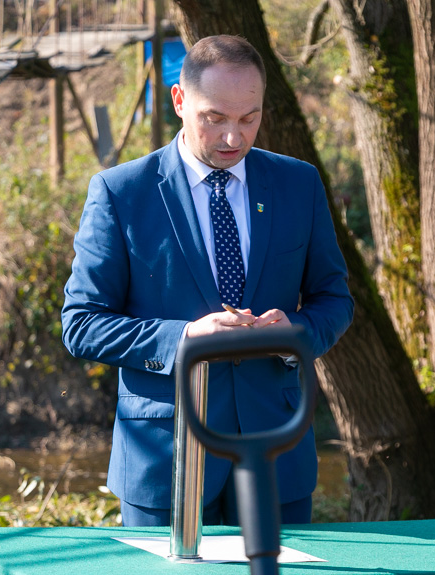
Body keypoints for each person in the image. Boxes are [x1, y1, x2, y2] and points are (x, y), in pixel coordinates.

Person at [61, 34, 353, 527]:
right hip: (165, 461)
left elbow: (335, 299)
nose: (233, 139)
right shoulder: (120, 193)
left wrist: (294, 334)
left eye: (248, 118)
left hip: (276, 456)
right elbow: (82, 324)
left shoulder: (298, 184)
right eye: (214, 118)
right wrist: (185, 338)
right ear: (179, 100)